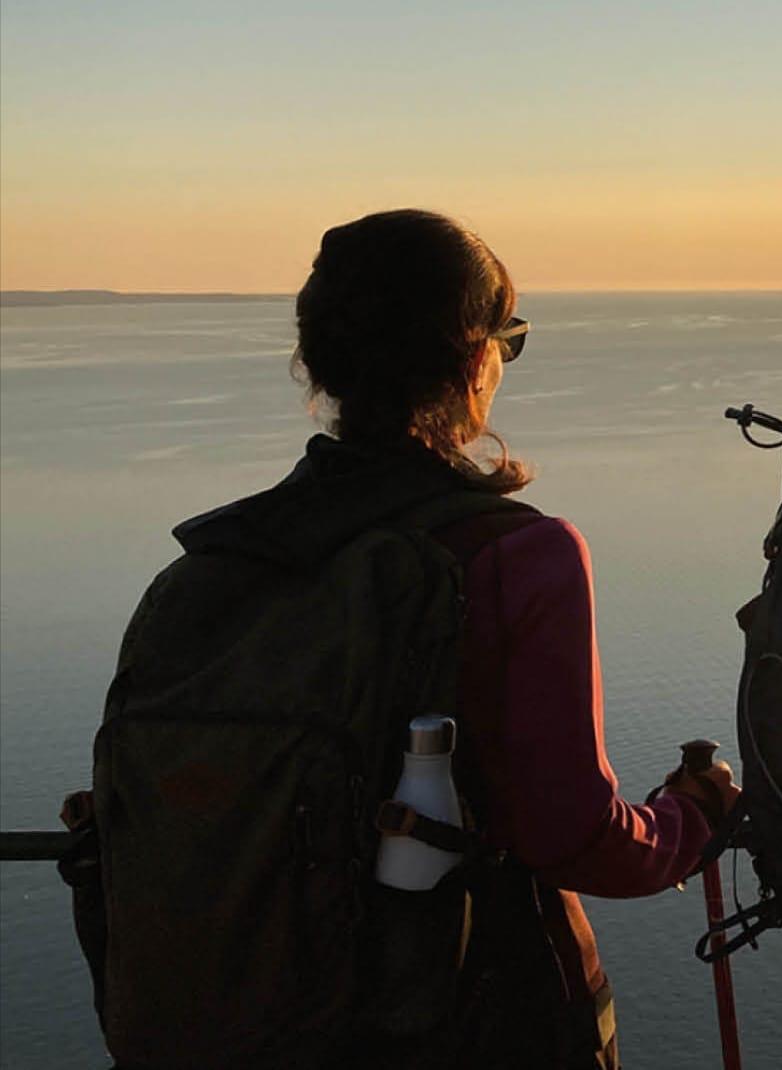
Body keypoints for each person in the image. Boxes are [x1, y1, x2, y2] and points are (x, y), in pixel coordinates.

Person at [74, 209, 737, 1070]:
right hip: (473, 1024)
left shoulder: (210, 563)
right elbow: (577, 838)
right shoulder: (516, 554)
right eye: (510, 339)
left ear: (322, 365)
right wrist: (693, 818)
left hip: (232, 1027)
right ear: (474, 358)